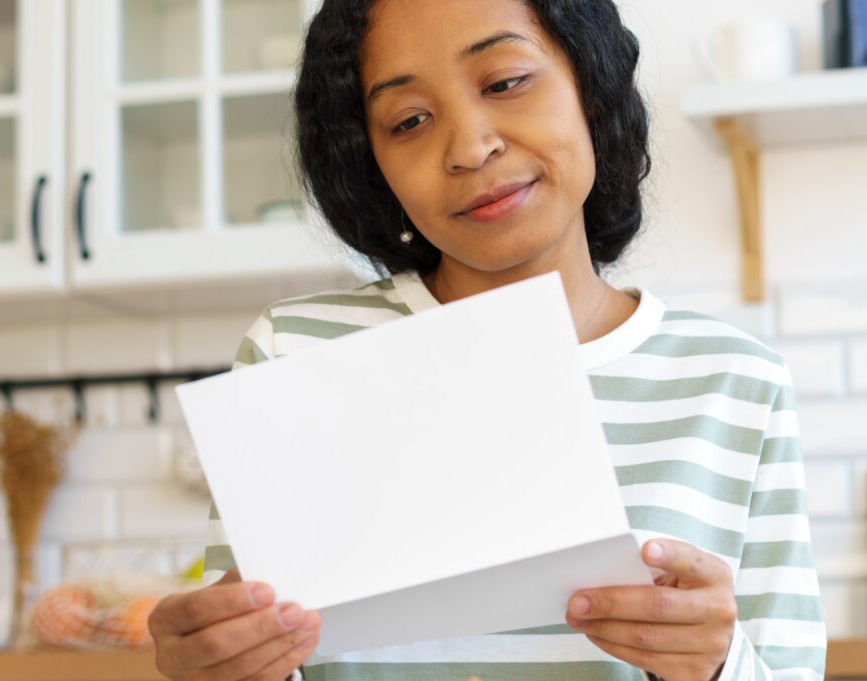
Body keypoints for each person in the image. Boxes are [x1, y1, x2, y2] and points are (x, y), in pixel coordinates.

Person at [147, 0, 827, 679]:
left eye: (505, 82)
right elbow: (250, 641)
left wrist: (717, 663)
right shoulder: (293, 354)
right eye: (408, 120)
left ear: (590, 87)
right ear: (371, 162)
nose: (470, 147)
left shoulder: (735, 382)